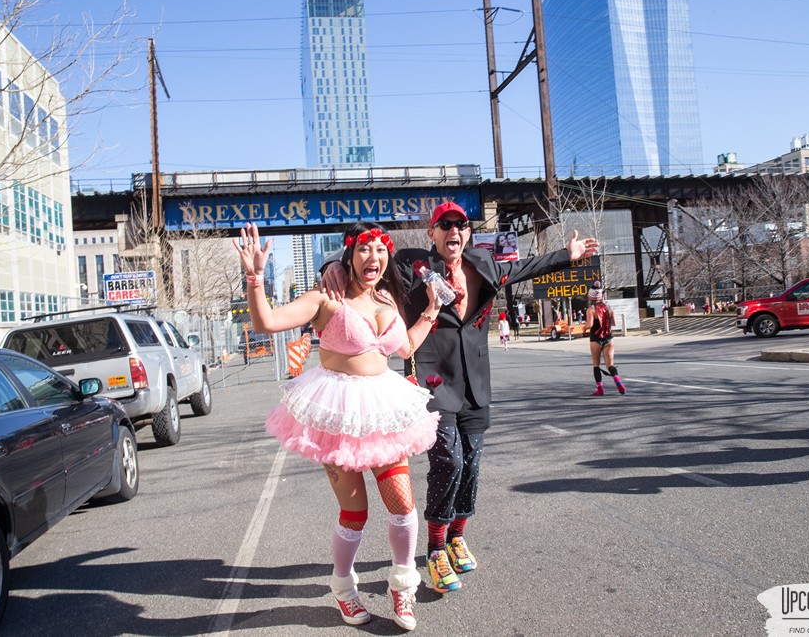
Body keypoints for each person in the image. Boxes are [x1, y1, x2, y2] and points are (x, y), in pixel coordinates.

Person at [322, 201, 600, 594]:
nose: (454, 230)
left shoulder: (482, 264)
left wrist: (566, 256)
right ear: (432, 233)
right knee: (448, 460)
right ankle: (435, 549)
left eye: (461, 224)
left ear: (467, 232)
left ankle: (455, 536)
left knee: (471, 464)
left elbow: (522, 268)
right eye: (444, 225)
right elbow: (369, 265)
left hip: (475, 382)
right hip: (435, 382)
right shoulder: (412, 266)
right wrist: (332, 266)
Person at [234, 221, 444, 631]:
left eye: (380, 249)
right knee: (355, 512)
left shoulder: (387, 296)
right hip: (341, 415)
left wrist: (432, 312)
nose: (373, 257)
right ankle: (344, 590)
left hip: (383, 412)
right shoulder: (327, 298)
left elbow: (403, 348)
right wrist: (255, 278)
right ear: (349, 255)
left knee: (402, 505)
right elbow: (266, 323)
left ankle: (402, 587)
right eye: (364, 248)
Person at [584, 281, 625, 396]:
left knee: (596, 364)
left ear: (591, 296)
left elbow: (590, 325)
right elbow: (614, 322)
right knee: (610, 364)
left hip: (595, 339)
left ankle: (600, 389)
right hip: (608, 338)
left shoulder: (591, 310)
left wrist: (584, 327)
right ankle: (618, 380)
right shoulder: (608, 308)